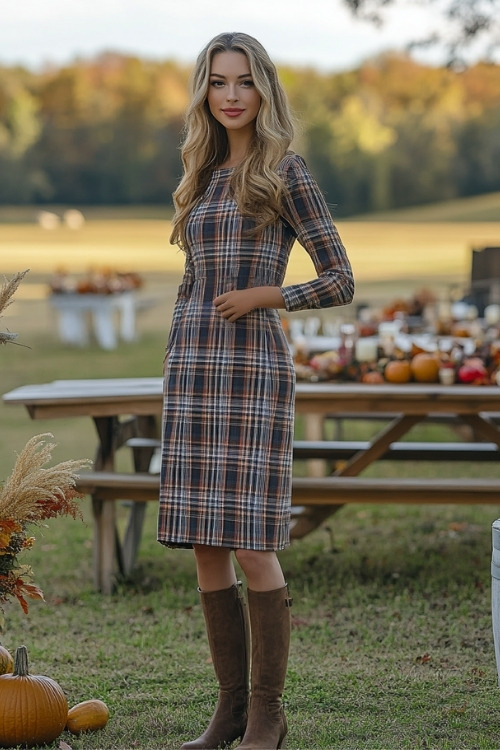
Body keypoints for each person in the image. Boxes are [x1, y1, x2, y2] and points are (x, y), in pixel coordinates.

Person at [157, 31, 354, 750]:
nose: (231, 95)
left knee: (249, 544)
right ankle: (228, 713)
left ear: (263, 90)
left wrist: (269, 295)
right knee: (205, 548)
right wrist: (180, 349)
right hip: (195, 372)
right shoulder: (201, 176)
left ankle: (268, 713)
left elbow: (339, 278)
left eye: (243, 81)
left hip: (253, 375)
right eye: (218, 82)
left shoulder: (286, 172)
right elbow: (193, 281)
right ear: (205, 93)